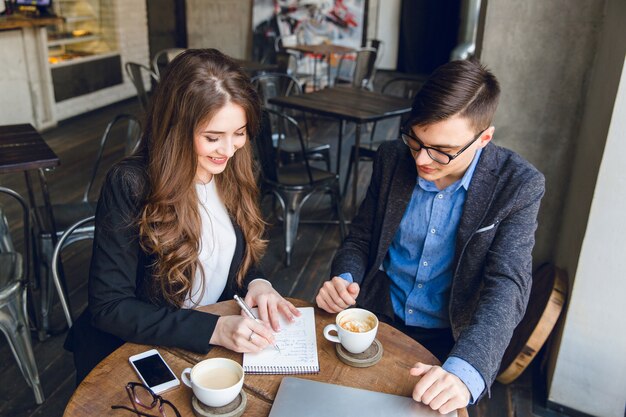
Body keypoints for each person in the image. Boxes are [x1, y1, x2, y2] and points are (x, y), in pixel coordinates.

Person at [315, 59, 545, 414]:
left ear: (483, 139)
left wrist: (464, 372)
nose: (422, 159)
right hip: (375, 318)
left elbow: (507, 285)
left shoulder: (518, 185)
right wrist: (345, 278)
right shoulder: (392, 158)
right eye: (415, 140)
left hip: (450, 340)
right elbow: (361, 237)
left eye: (442, 151)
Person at [65, 48, 300, 383]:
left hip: (197, 347)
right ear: (176, 128)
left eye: (240, 132)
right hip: (130, 353)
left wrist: (258, 283)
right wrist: (214, 328)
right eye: (212, 137)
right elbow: (110, 307)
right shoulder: (131, 183)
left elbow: (229, 255)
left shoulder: (233, 168)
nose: (229, 149)